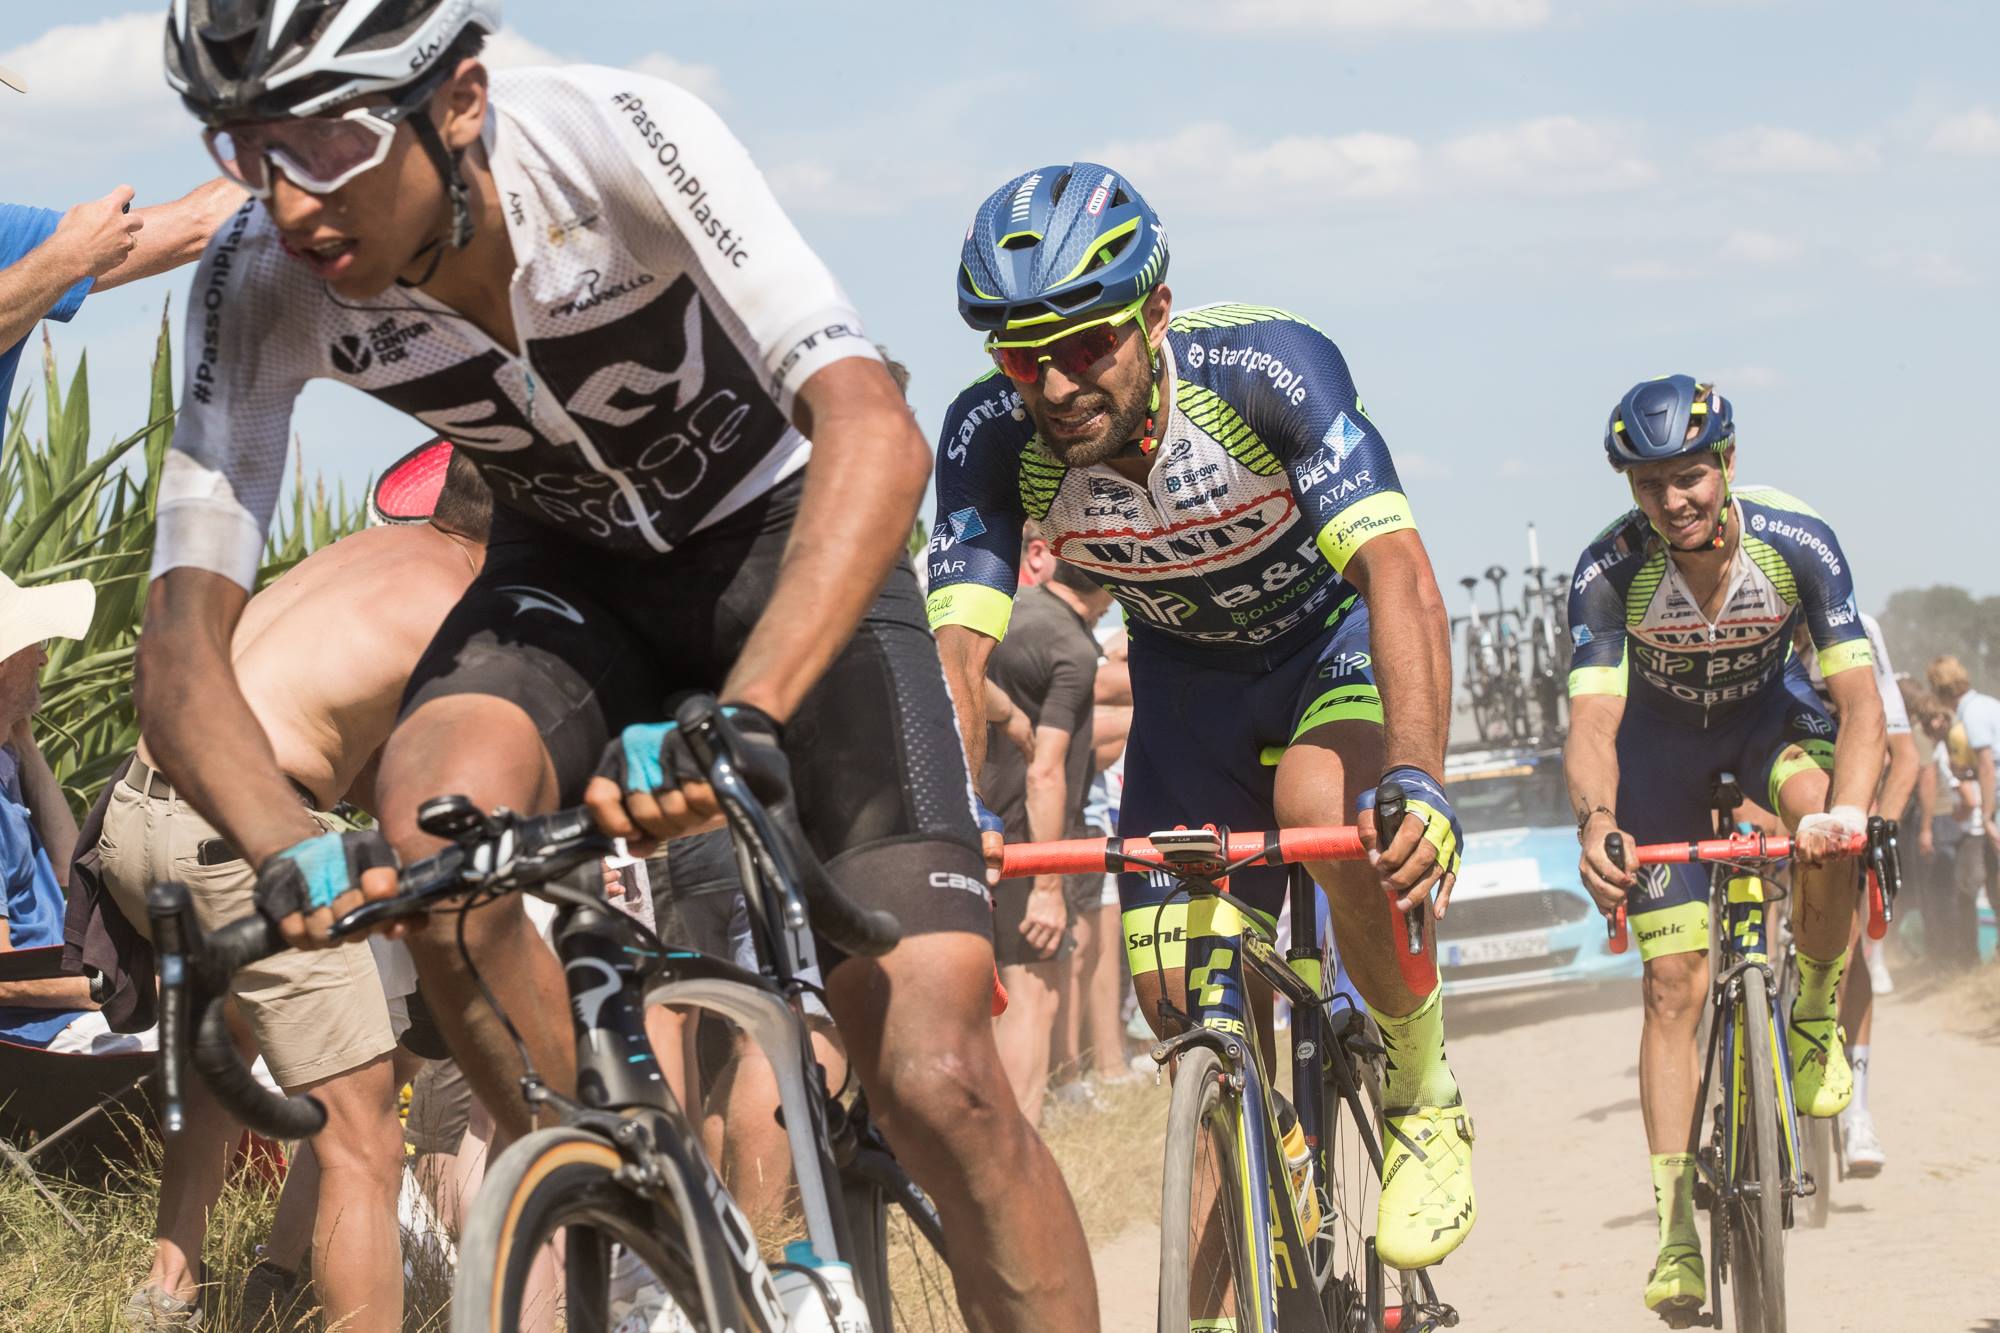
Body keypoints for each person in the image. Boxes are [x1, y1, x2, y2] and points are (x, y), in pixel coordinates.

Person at [138, 6, 1094, 1326]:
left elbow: (871, 428)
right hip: (569, 576)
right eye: (247, 148)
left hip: (785, 548)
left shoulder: (609, 141)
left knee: (941, 1081)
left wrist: (749, 710)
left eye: (327, 139)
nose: (292, 201)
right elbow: (181, 650)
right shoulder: (256, 276)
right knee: (428, 831)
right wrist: (282, 839)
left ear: (459, 99)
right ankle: (638, 1212)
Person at [929, 162, 1475, 1272]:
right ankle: (1250, 1188)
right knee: (1181, 999)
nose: (1055, 381)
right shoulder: (991, 435)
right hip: (1187, 676)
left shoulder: (1266, 368)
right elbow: (957, 650)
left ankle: (1422, 1093)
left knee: (1319, 802)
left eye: (1086, 345)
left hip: (1326, 645)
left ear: (1156, 315)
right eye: (1020, 354)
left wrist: (1416, 774)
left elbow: (1397, 575)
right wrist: (940, 815)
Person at [106, 444, 491, 1331]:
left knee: (225, 1049)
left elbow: (335, 744)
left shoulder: (358, 555)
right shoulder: (461, 604)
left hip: (140, 812)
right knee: (362, 1143)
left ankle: (164, 1298)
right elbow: (422, 795)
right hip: (236, 838)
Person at [1562, 375, 1886, 1321]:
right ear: (1632, 488)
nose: (1676, 500)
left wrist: (1852, 821)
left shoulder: (1798, 542)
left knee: (1826, 818)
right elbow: (1592, 721)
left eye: (1693, 476)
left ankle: (1817, 1007)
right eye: (1652, 482)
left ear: (1728, 464)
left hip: (1766, 726)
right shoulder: (1608, 569)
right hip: (1656, 751)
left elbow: (1861, 706)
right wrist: (1597, 820)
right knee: (1673, 986)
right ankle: (1673, 1230)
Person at [979, 535, 1112, 1124]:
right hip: (1021, 840)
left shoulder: (1006, 610)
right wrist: (1049, 885)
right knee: (1033, 991)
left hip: (970, 823)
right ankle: (1020, 1143)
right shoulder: (1072, 647)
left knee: (1002, 995)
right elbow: (1047, 772)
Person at [1797, 611, 1919, 1178]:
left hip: (1848, 788)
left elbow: (1904, 755)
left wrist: (1883, 825)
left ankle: (1859, 1114)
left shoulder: (1857, 628)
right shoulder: (1750, 625)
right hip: (1783, 782)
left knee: (1847, 947)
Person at [0, 570, 141, 1053]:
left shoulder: (6, 763)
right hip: (37, 1033)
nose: (42, 656)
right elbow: (1, 979)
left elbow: (68, 872)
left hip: (66, 1010)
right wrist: (117, 990)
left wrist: (19, 733)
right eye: (31, 643)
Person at [1924, 655, 1998, 970]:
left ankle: (1971, 958)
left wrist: (1986, 816)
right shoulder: (1988, 704)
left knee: (1974, 883)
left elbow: (1985, 766)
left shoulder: (1969, 719)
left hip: (1993, 805)